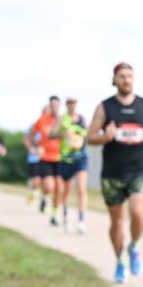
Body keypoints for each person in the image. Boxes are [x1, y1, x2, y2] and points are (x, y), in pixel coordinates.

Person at [87, 62, 143, 284]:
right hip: (112, 173)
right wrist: (105, 137)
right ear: (114, 80)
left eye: (129, 76)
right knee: (117, 221)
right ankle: (119, 261)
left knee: (139, 214)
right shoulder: (105, 107)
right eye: (122, 76)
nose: (126, 80)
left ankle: (134, 246)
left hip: (139, 170)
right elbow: (90, 137)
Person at [57, 97, 89, 234]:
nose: (71, 105)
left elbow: (86, 135)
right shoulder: (62, 119)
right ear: (66, 105)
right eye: (69, 103)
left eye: (74, 103)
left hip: (80, 158)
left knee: (82, 189)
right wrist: (64, 133)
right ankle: (66, 218)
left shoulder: (82, 119)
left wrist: (79, 138)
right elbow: (55, 134)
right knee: (66, 191)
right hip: (66, 159)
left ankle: (81, 221)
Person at [32, 96, 64, 226]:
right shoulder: (42, 120)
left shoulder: (63, 120)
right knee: (49, 186)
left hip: (60, 158)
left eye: (57, 105)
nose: (55, 107)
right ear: (49, 106)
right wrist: (37, 146)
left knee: (59, 189)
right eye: (53, 105)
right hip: (45, 158)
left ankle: (54, 215)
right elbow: (31, 135)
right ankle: (44, 198)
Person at [24, 107, 46, 210]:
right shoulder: (34, 126)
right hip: (35, 158)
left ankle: (43, 200)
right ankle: (33, 192)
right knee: (36, 181)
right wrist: (31, 149)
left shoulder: (52, 126)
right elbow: (25, 139)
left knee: (46, 182)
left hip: (48, 158)